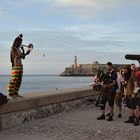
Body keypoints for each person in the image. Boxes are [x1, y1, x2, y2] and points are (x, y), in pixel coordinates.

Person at [8, 34, 31, 99]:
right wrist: (26, 53)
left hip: (20, 66)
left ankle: (15, 93)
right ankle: (10, 94)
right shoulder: (13, 48)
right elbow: (16, 57)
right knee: (14, 79)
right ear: (16, 42)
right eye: (20, 42)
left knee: (19, 80)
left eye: (21, 43)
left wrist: (24, 51)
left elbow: (23, 57)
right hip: (15, 66)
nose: (20, 44)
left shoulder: (18, 49)